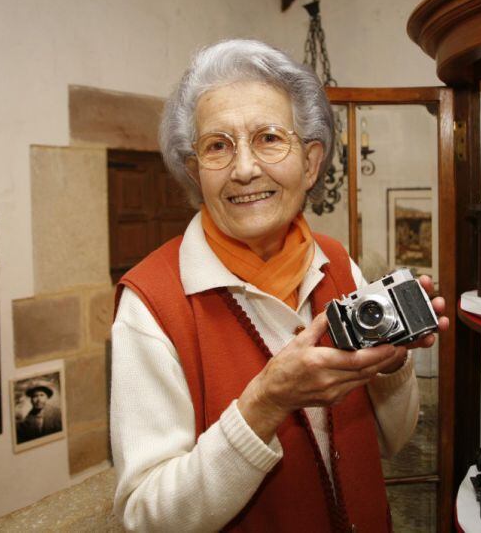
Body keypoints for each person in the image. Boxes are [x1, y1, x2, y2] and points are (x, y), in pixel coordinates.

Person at [110, 39, 449, 532]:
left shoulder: (337, 263)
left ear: (311, 162)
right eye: (217, 146)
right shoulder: (151, 304)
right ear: (195, 172)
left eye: (269, 138)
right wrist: (265, 403)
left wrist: (391, 366)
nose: (244, 169)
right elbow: (147, 518)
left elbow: (387, 444)